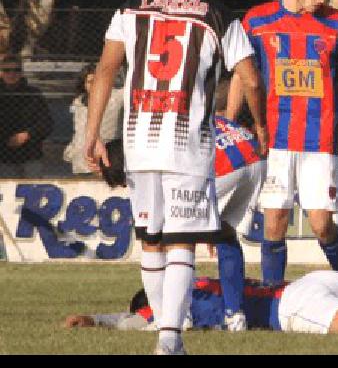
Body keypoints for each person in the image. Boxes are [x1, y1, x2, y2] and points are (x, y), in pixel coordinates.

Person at [84, 0, 266, 355]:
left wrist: (92, 135)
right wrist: (258, 123)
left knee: (151, 237)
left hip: (139, 143)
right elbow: (251, 78)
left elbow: (106, 69)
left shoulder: (129, 10)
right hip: (189, 145)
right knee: (182, 240)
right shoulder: (218, 15)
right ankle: (169, 339)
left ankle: (163, 331)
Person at [227, 0, 338, 287]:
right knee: (274, 222)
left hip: (319, 138)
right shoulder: (257, 21)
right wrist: (227, 124)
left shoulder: (336, 24)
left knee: (321, 224)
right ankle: (273, 294)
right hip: (275, 140)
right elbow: (242, 76)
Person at [98, 79, 267, 332]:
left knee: (168, 236)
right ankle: (235, 317)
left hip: (224, 165)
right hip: (251, 154)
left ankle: (179, 315)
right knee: (225, 235)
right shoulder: (165, 115)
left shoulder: (144, 150)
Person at [63, 270, 338, 337]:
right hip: (315, 277)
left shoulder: (165, 304)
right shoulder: (199, 278)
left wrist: (97, 319)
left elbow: (135, 322)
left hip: (295, 305)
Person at [63, 63, 123, 175]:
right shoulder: (78, 102)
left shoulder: (117, 97)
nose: (94, 85)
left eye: (97, 81)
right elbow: (78, 130)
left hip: (108, 162)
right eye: (90, 82)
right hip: (81, 162)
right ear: (84, 84)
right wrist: (72, 150)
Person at [0, 54, 53, 178]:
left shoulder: (34, 94)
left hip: (30, 155)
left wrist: (27, 135)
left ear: (22, 72)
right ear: (1, 73)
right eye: (7, 70)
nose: (12, 74)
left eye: (16, 70)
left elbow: (47, 123)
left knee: (34, 191)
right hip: (3, 156)